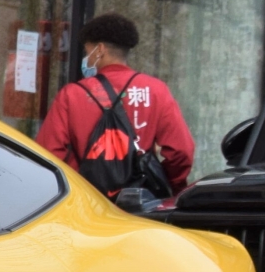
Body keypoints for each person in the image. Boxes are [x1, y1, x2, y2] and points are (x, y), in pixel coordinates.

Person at [36, 13, 195, 200]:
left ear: (100, 49)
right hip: (141, 204)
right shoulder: (156, 90)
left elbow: (47, 154)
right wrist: (171, 187)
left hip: (87, 204)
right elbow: (181, 151)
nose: (86, 59)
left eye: (88, 52)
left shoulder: (72, 95)